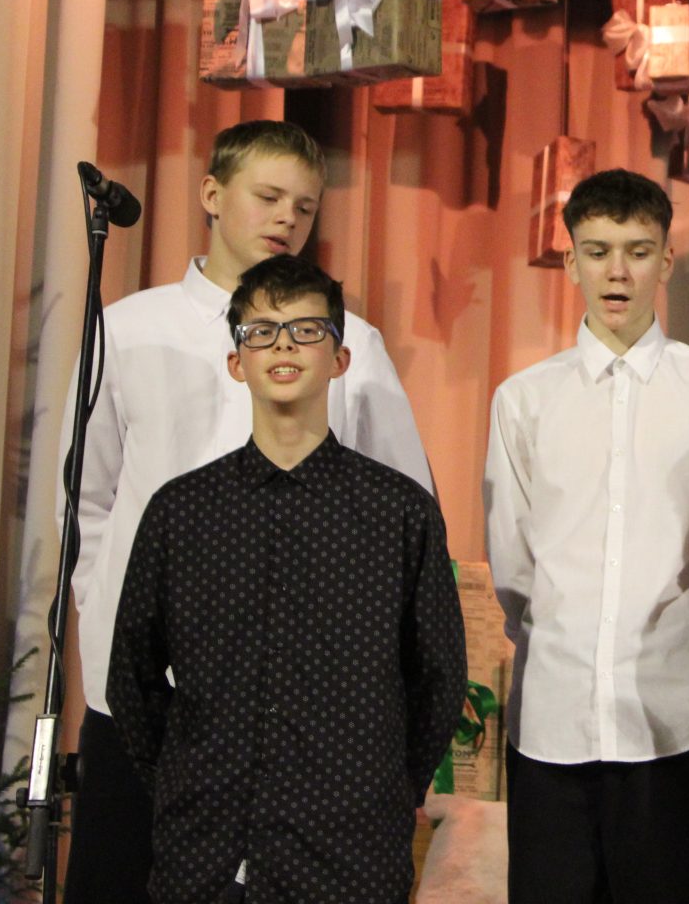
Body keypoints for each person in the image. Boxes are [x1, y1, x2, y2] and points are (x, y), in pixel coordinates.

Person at [62, 120, 432, 902]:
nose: (286, 219)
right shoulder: (129, 330)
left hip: (301, 707)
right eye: (268, 197)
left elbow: (406, 524)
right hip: (146, 690)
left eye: (304, 207)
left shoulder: (352, 345)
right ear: (211, 194)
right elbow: (86, 499)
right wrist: (106, 615)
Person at [106, 254, 466, 904]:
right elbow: (132, 676)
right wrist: (183, 781)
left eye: (306, 330)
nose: (284, 346)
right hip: (204, 853)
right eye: (262, 331)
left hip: (350, 855)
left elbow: (438, 678)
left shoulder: (399, 513)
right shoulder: (181, 512)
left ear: (340, 359)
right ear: (235, 362)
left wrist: (385, 790)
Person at [483, 168, 689, 903]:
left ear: (665, 261)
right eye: (598, 251)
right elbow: (513, 567)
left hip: (678, 722)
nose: (617, 272)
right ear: (570, 260)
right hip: (555, 723)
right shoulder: (524, 400)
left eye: (638, 251)